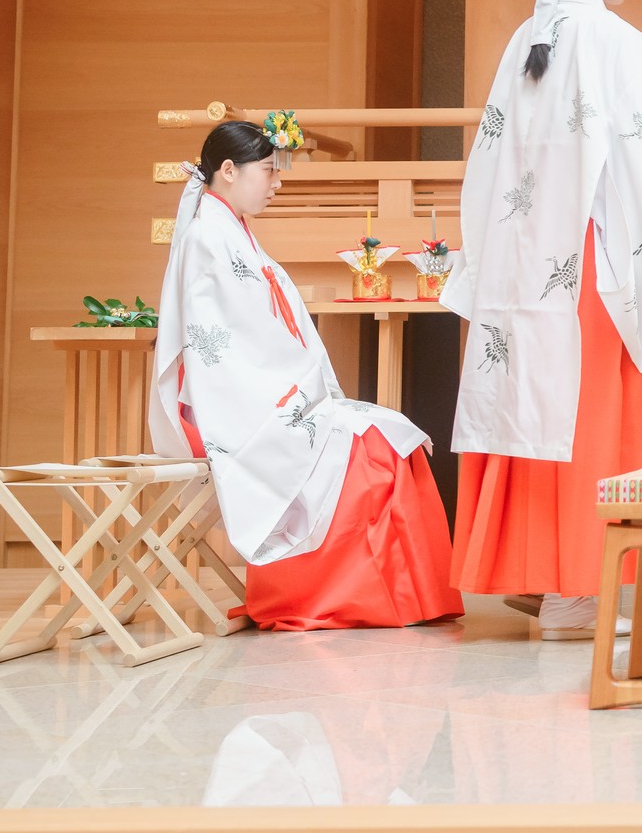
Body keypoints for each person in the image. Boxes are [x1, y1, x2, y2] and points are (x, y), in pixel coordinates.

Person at [443, 0, 642, 640]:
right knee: (586, 418)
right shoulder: (621, 44)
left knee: (524, 413)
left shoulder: (525, 37)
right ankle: (576, 591)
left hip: (519, 270)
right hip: (588, 273)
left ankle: (535, 577)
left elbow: (490, 162)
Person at [149, 118, 461, 630]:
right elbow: (224, 348)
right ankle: (344, 598)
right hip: (234, 404)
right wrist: (303, 390)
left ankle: (395, 598)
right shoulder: (210, 235)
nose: (277, 184)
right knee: (371, 448)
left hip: (263, 391)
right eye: (268, 172)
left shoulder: (229, 229)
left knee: (387, 436)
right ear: (228, 171)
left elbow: (259, 330)